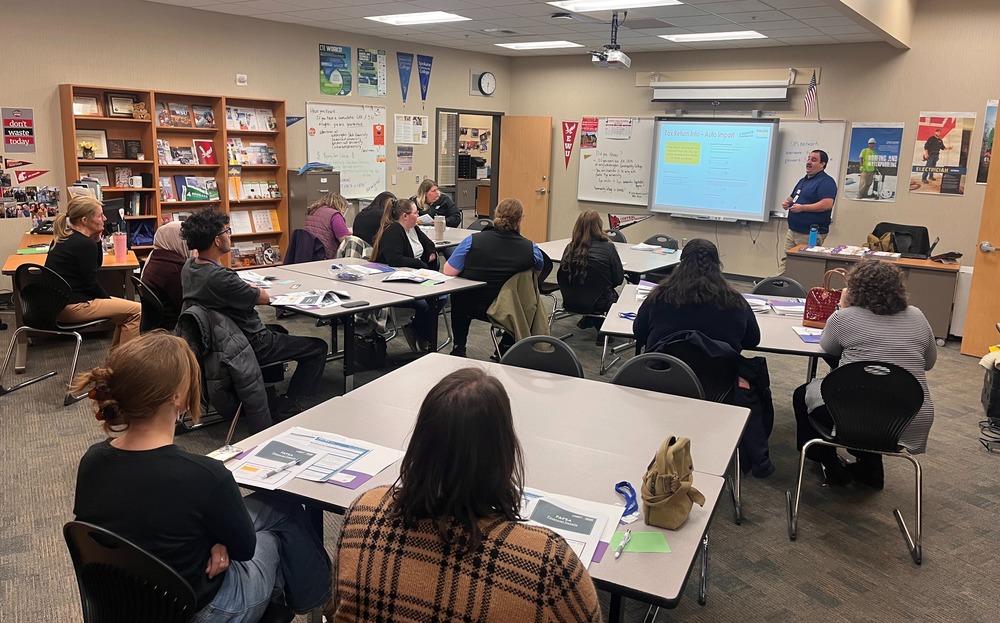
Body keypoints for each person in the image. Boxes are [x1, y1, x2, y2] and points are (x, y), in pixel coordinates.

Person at [71, 331, 332, 622]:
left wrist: (215, 539)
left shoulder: (92, 460)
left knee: (273, 509)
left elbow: (132, 521)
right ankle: (320, 602)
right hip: (204, 611)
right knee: (275, 532)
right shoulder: (204, 476)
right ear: (178, 397)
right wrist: (220, 541)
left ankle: (316, 600)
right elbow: (245, 549)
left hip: (126, 604)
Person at [331, 367, 602, 623]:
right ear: (504, 452)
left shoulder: (363, 512)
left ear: (420, 445)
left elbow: (338, 605)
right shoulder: (545, 562)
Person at [793, 260, 936, 488]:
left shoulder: (845, 318)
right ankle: (870, 469)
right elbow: (929, 363)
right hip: (908, 417)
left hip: (853, 417)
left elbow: (828, 347)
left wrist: (842, 308)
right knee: (876, 396)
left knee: (804, 395)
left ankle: (829, 463)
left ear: (854, 288)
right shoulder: (917, 316)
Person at [180, 209, 327, 414]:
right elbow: (264, 298)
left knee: (280, 330)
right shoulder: (223, 279)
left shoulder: (189, 268)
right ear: (216, 240)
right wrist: (246, 287)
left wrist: (241, 286)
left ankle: (261, 387)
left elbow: (231, 290)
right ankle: (291, 400)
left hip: (218, 339)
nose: (229, 236)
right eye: (227, 232)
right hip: (249, 342)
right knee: (318, 347)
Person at [443, 198, 543, 357]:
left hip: (470, 304)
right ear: (519, 220)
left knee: (458, 299)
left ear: (496, 215)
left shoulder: (473, 241)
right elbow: (533, 278)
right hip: (507, 310)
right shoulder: (531, 249)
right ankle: (506, 346)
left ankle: (459, 347)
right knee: (524, 299)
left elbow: (448, 270)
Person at [44, 195, 141, 348]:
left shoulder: (64, 238)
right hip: (73, 307)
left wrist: (96, 239)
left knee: (124, 312)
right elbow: (91, 285)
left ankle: (116, 364)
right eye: (100, 215)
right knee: (137, 311)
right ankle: (123, 364)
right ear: (85, 220)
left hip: (55, 304)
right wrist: (109, 301)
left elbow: (96, 265)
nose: (105, 218)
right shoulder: (83, 244)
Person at [634, 239, 759, 354]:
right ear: (717, 265)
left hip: (662, 373)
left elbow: (639, 332)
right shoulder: (734, 300)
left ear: (681, 263)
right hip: (718, 375)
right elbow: (752, 340)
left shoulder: (659, 296)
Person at [371, 198, 438, 351]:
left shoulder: (413, 228)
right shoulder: (393, 231)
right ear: (405, 216)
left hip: (414, 277)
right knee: (425, 304)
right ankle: (423, 335)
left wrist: (431, 252)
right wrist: (421, 265)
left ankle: (416, 329)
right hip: (394, 283)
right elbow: (395, 259)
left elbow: (428, 243)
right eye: (415, 213)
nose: (418, 215)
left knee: (441, 297)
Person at [558, 210, 624, 343]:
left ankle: (588, 319)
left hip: (570, 299)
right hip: (598, 302)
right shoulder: (608, 249)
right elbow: (618, 279)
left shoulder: (569, 248)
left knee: (591, 288)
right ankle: (602, 329)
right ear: (599, 226)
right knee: (609, 294)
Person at [780, 149, 837, 271]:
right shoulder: (804, 180)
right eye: (809, 158)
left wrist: (802, 208)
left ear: (823, 164)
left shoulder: (826, 182)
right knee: (786, 261)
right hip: (793, 231)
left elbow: (827, 204)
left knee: (804, 267)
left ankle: (800, 289)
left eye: (814, 160)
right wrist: (787, 202)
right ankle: (778, 288)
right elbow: (793, 196)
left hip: (810, 233)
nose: (809, 162)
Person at [140, 221, 189, 329]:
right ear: (177, 240)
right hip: (174, 328)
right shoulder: (173, 270)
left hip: (158, 324)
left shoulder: (156, 257)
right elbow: (186, 306)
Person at [303, 191, 350, 258]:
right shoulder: (335, 215)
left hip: (309, 251)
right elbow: (344, 239)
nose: (343, 211)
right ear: (340, 205)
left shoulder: (313, 210)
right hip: (324, 254)